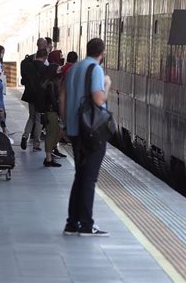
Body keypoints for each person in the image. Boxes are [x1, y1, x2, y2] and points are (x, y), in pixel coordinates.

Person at [60, 38, 111, 236]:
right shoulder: (95, 69)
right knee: (89, 178)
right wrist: (106, 85)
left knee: (80, 176)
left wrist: (66, 123)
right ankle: (87, 224)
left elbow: (62, 96)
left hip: (75, 130)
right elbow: (98, 100)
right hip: (91, 132)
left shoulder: (74, 68)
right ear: (102, 53)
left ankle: (72, 223)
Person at [20, 49, 47, 151]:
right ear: (45, 58)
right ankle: (36, 144)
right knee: (38, 119)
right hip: (40, 97)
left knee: (31, 117)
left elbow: (24, 80)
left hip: (30, 95)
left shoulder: (28, 66)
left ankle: (25, 136)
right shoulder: (45, 68)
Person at [41, 62, 66, 167]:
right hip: (51, 113)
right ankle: (48, 159)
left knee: (51, 134)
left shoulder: (47, 83)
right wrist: (59, 112)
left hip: (48, 112)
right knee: (51, 135)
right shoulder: (51, 85)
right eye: (58, 70)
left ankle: (49, 157)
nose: (60, 72)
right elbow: (53, 100)